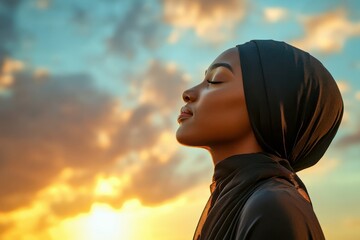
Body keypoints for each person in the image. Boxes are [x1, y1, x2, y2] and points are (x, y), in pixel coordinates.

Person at [176, 40, 343, 240]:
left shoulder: (273, 206)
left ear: (269, 105)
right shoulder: (234, 199)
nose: (188, 94)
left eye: (215, 80)